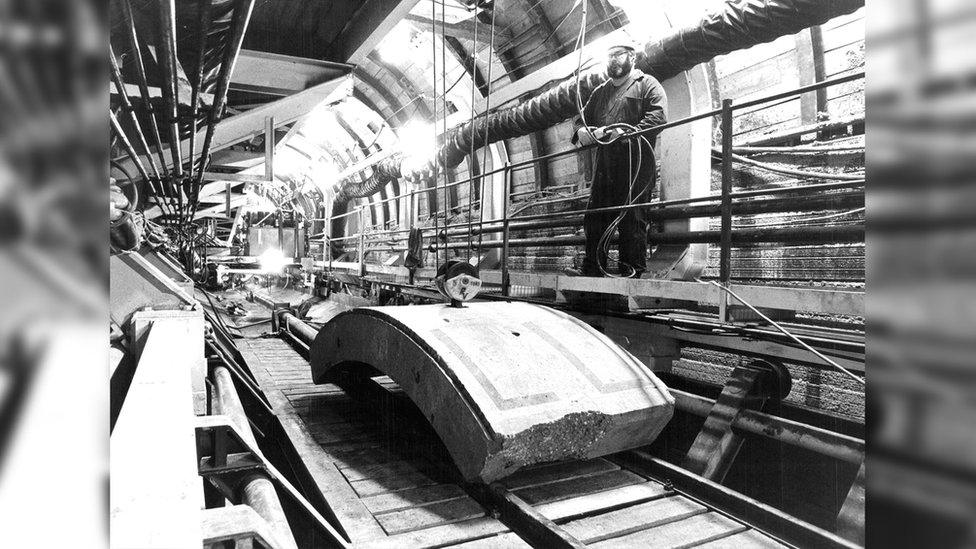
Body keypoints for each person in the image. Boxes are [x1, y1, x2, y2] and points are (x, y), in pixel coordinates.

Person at [571, 42, 668, 277]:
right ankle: (593, 272)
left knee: (632, 222)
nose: (612, 59)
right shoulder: (601, 92)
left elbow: (659, 116)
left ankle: (631, 274)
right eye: (609, 55)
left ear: (631, 57)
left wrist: (628, 132)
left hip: (636, 167)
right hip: (605, 169)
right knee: (595, 220)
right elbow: (579, 121)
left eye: (618, 55)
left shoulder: (647, 85)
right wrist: (581, 132)